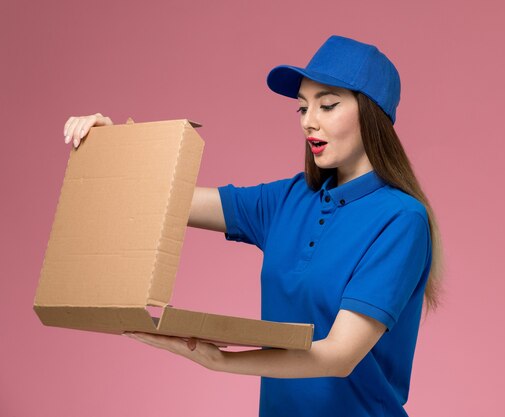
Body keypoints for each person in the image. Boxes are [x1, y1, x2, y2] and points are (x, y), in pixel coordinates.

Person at [62, 35, 444, 417]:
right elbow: (161, 200)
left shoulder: (401, 220)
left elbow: (339, 355)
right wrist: (110, 144)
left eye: (327, 106)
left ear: (372, 114)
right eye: (301, 108)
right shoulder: (289, 199)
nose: (309, 122)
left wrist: (222, 362)